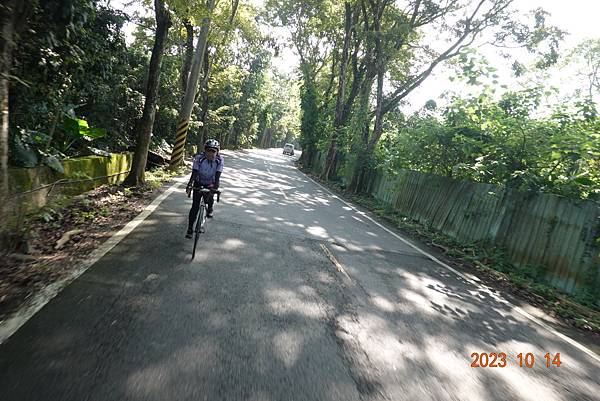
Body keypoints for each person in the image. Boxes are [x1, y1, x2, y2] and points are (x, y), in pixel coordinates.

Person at [185, 139, 223, 238]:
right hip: (199, 181)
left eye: (213, 151)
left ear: (217, 152)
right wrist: (190, 184)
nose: (211, 154)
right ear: (205, 151)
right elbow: (194, 172)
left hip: (211, 182)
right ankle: (190, 228)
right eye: (209, 151)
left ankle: (210, 207)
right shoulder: (199, 158)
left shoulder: (219, 160)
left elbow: (218, 176)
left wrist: (215, 188)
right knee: (195, 206)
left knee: (209, 198)